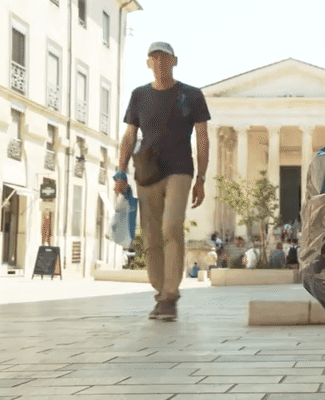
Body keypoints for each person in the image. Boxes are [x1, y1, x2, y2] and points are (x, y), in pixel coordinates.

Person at [114, 41, 211, 322]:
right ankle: (160, 293)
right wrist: (120, 172)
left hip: (180, 169)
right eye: (154, 58)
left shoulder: (191, 95)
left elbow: (202, 138)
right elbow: (129, 136)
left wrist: (202, 177)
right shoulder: (139, 95)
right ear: (148, 63)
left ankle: (171, 294)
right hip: (147, 171)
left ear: (174, 61)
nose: (159, 63)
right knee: (151, 235)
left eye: (164, 58)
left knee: (171, 226)